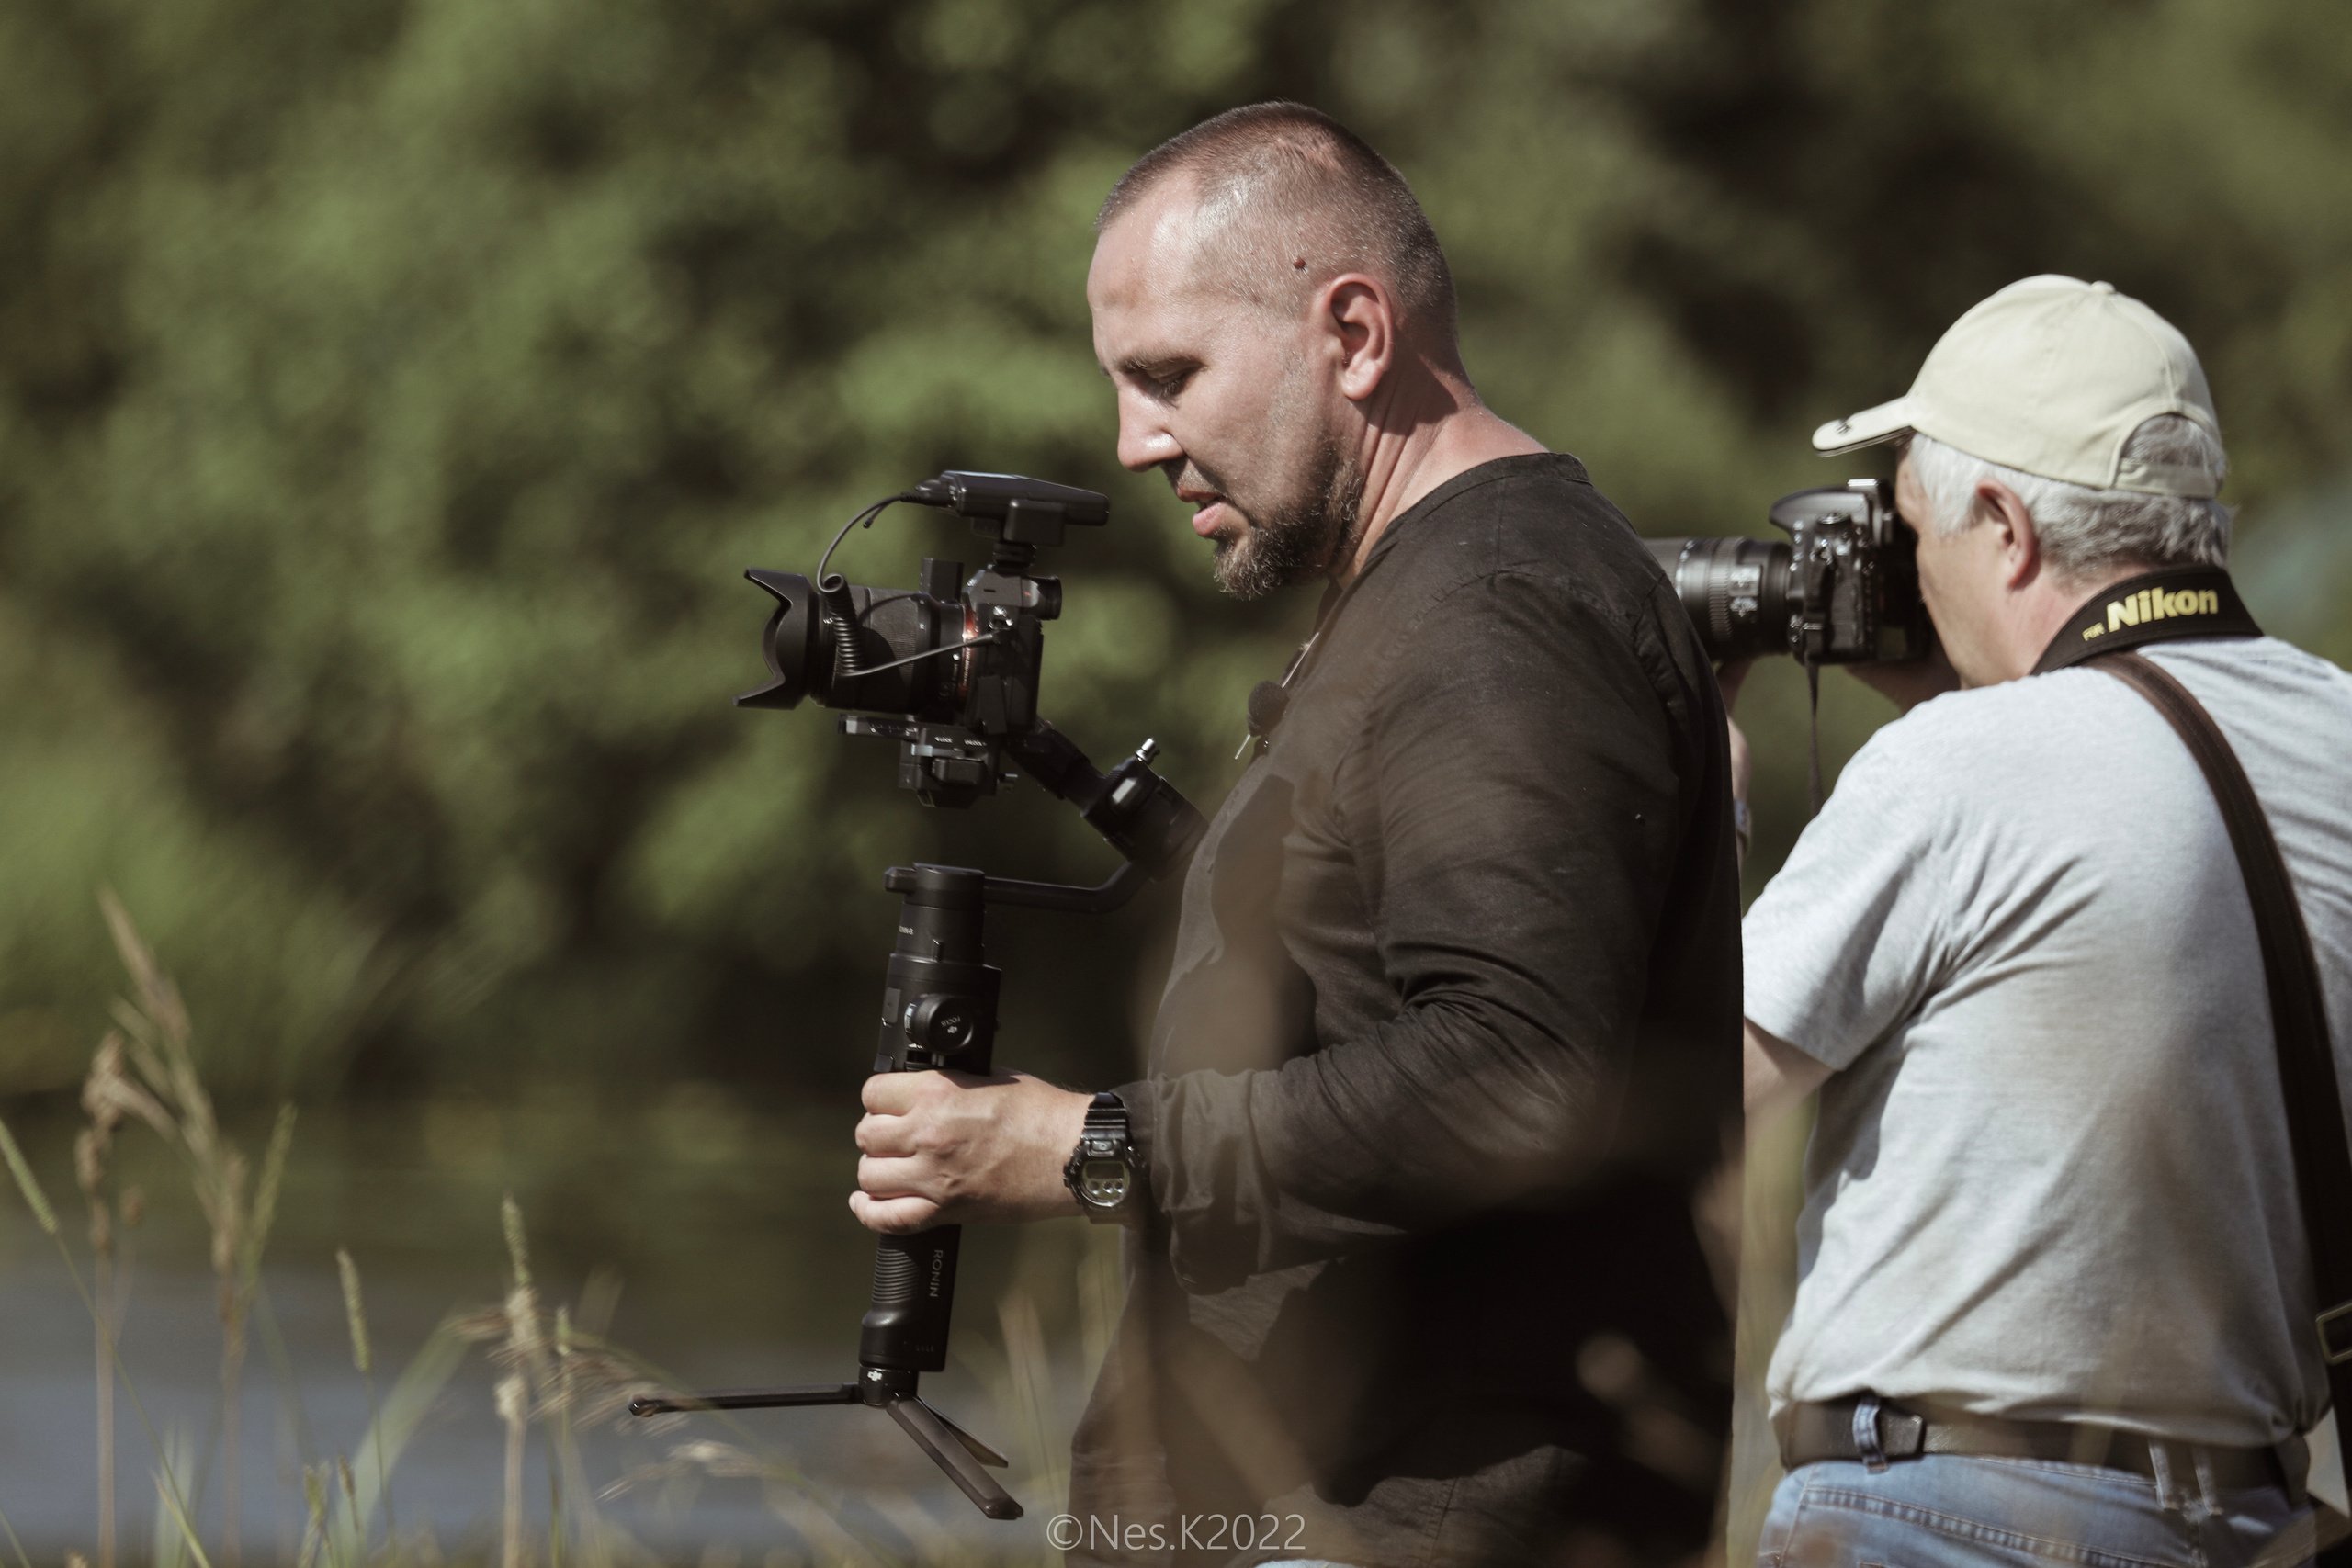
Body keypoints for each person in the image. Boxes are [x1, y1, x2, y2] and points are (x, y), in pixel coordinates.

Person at [849, 103, 1745, 1565]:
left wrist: (1091, 1148)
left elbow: (1517, 1074)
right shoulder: (1433, 598)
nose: (1134, 442)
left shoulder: (1498, 610)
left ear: (1353, 333)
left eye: (1169, 376)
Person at [1736, 275, 2352, 1562]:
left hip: (1939, 1518)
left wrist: (1704, 800)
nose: (1909, 574)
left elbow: (1689, 1089)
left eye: (1916, 530)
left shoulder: (1958, 767)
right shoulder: (2339, 736)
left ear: (2007, 531)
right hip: (2251, 1520)